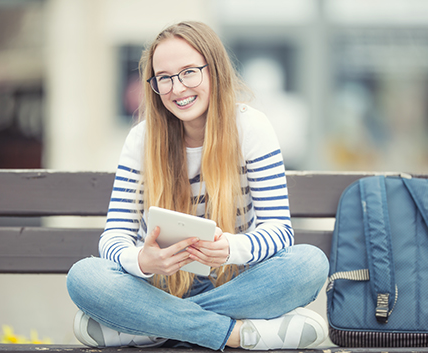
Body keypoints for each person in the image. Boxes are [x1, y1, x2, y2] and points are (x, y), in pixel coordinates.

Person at [66, 21, 329, 351]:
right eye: (164, 78)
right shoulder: (141, 139)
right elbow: (114, 236)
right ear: (154, 85)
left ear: (214, 70)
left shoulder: (251, 127)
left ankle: (151, 329)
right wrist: (144, 261)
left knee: (309, 263)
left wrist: (231, 248)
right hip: (159, 288)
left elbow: (279, 230)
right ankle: (236, 334)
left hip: (237, 284)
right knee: (84, 276)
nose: (177, 88)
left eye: (189, 72)